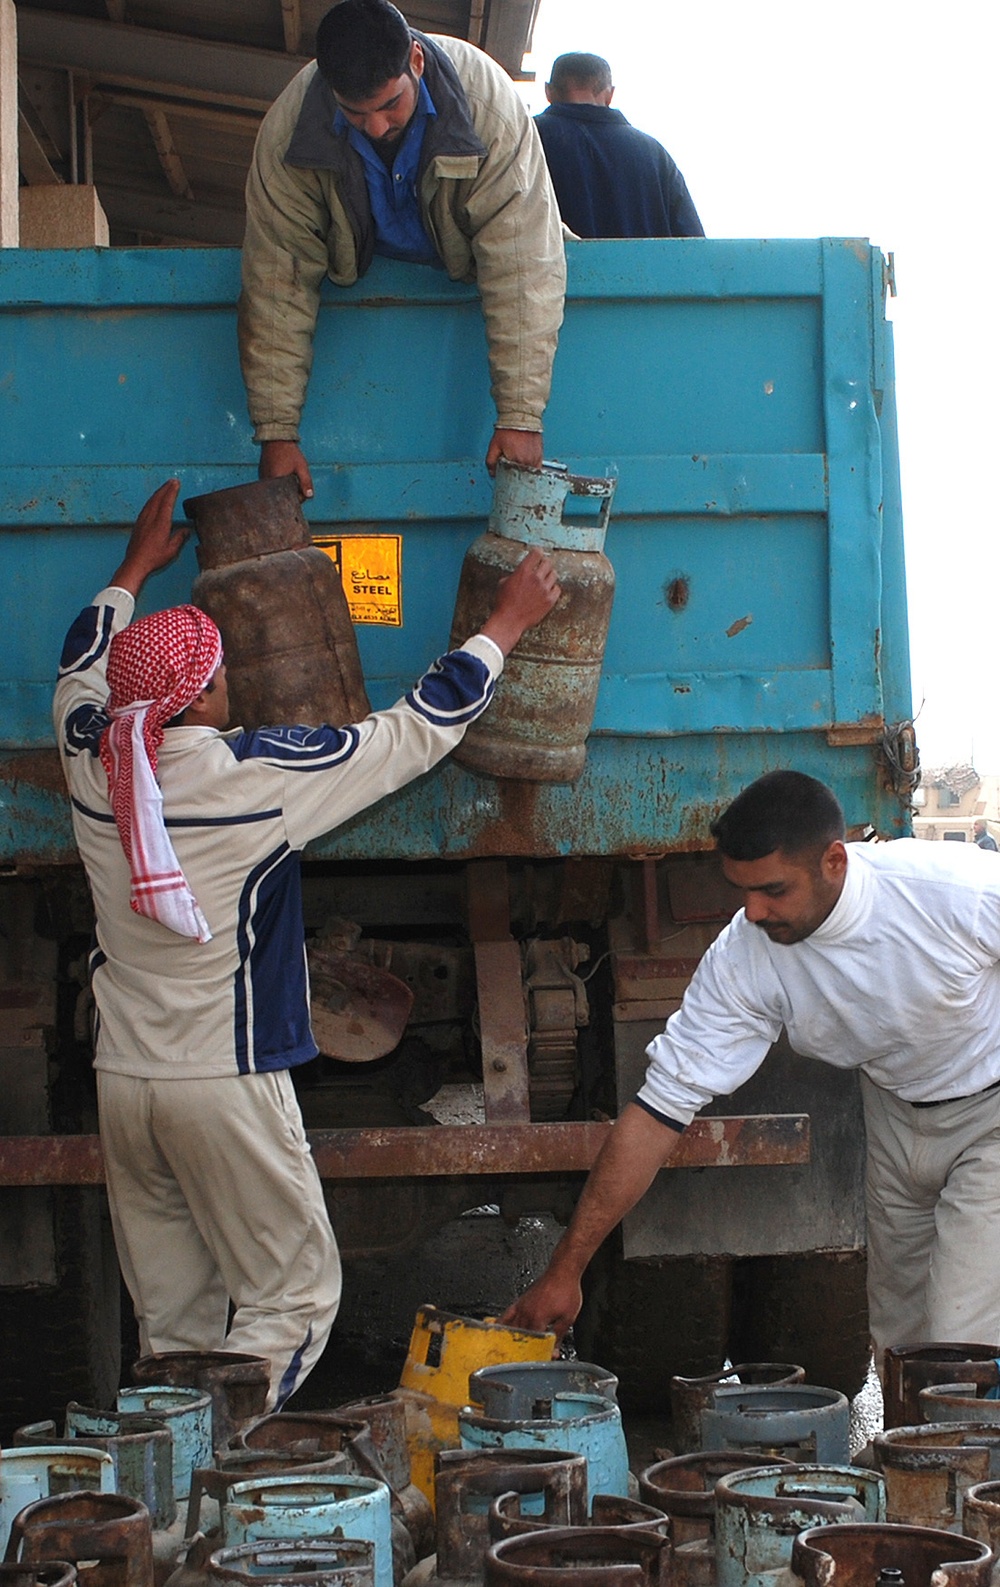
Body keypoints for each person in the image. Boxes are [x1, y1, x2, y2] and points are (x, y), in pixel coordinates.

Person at [55, 477, 560, 1410]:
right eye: (217, 675)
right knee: (295, 1295)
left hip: (125, 1080)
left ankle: (165, 1510)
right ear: (202, 694)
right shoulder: (255, 778)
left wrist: (132, 568)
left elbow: (80, 663)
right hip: (225, 1079)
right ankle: (224, 1458)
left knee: (174, 1324)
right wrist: (507, 624)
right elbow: (417, 731)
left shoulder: (90, 753)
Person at [505, 770, 1000, 1360]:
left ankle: (962, 1452)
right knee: (898, 1334)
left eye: (772, 890)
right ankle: (907, 1453)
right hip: (893, 1115)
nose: (754, 912)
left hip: (989, 1116)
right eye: (740, 891)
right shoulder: (745, 956)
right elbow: (658, 1111)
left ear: (834, 862)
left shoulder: (956, 894)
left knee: (957, 1339)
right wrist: (567, 1268)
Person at [239, 0, 566, 500]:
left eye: (390, 105)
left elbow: (521, 264)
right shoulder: (288, 134)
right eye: (355, 112)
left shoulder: (489, 106)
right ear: (330, 91)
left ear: (416, 60)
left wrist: (521, 413)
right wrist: (277, 430)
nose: (374, 125)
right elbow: (278, 280)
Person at [533, 52, 704, 240]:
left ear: (548, 92)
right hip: (642, 269)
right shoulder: (654, 154)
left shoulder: (528, 139)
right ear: (610, 94)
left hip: (553, 269)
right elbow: (692, 243)